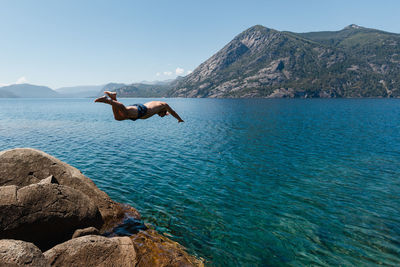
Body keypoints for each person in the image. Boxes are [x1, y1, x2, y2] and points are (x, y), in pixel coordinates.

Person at [94, 91, 184, 123]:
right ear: (164, 111)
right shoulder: (164, 105)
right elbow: (173, 112)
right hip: (142, 110)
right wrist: (179, 119)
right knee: (124, 111)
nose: (161, 116)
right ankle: (107, 100)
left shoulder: (158, 106)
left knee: (118, 117)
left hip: (140, 109)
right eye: (163, 115)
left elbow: (167, 113)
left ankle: (113, 98)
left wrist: (165, 113)